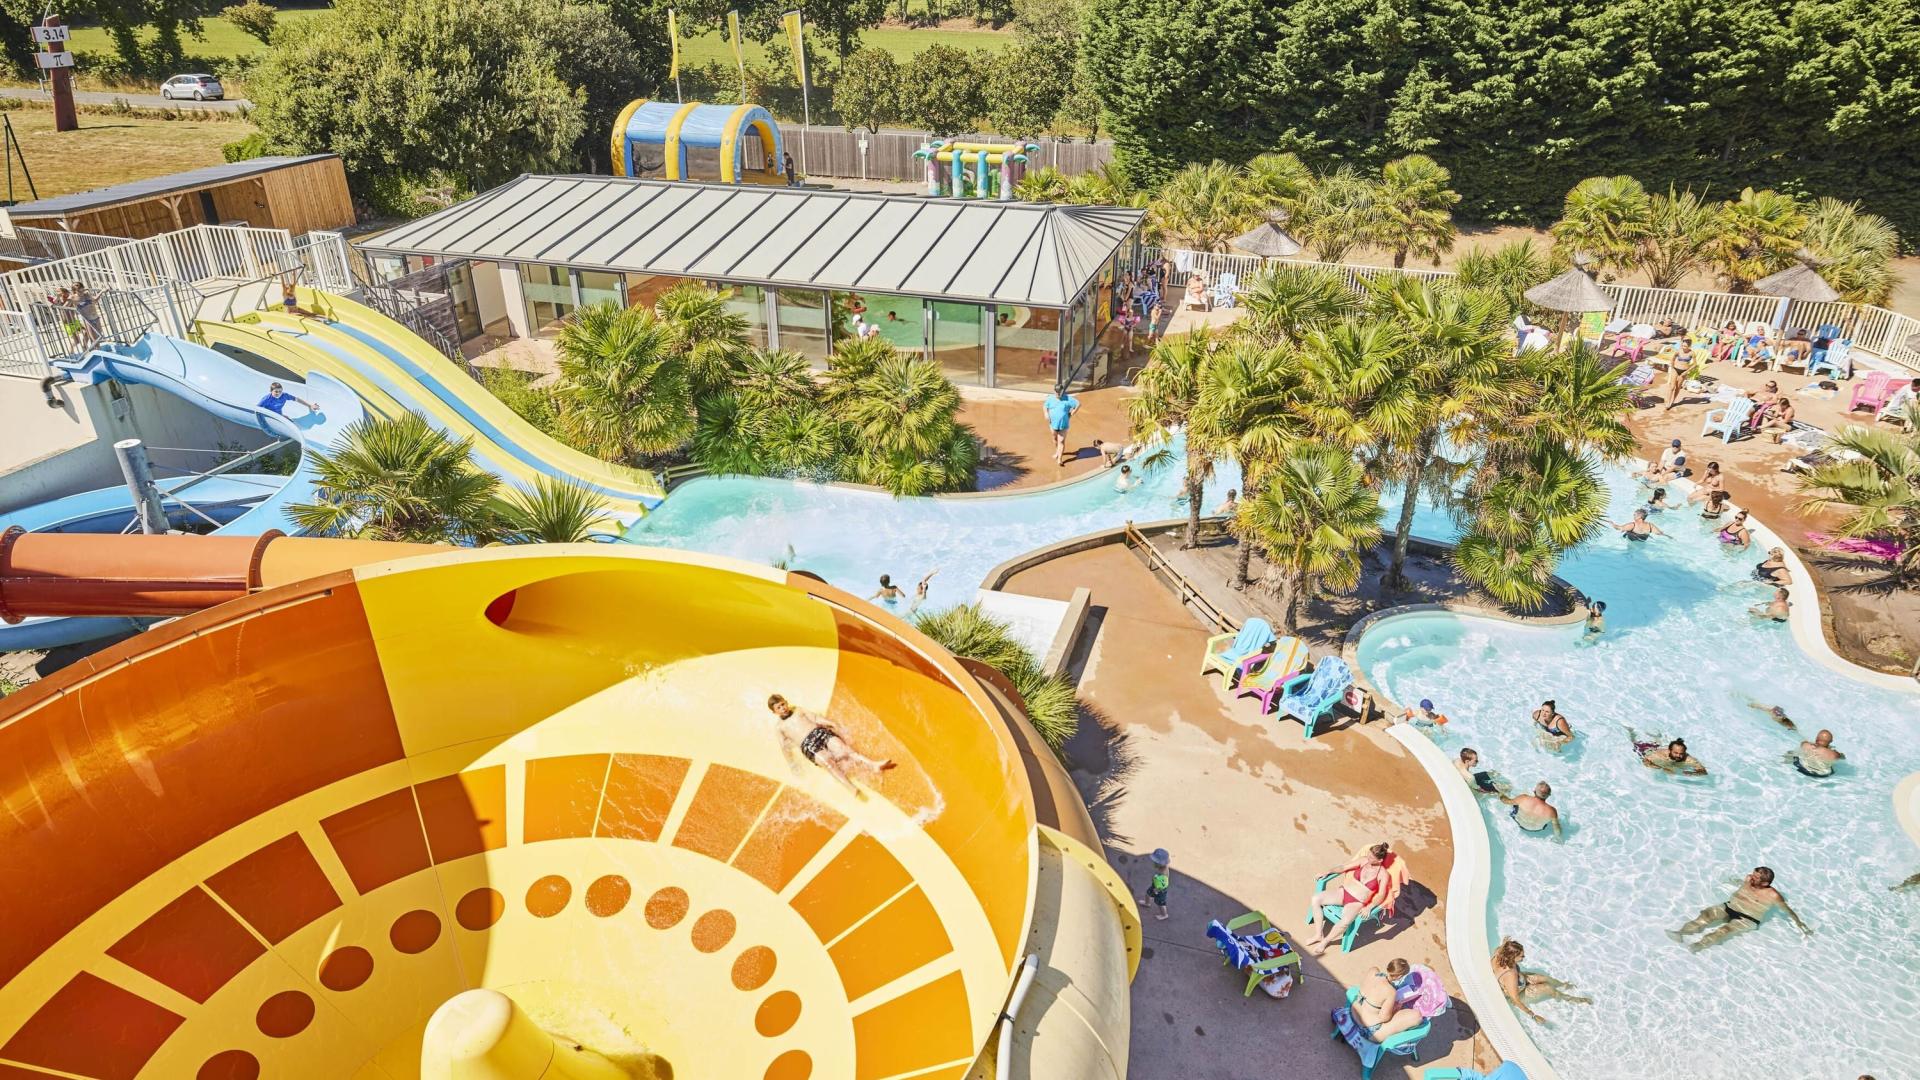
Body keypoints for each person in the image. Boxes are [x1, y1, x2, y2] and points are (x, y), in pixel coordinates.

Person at [766, 693, 896, 790]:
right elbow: (784, 747)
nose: (783, 708)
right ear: (774, 712)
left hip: (819, 732)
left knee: (844, 750)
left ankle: (873, 765)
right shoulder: (780, 727)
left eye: (783, 704)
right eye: (779, 708)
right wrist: (792, 764)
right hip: (807, 745)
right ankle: (850, 788)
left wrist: (832, 723)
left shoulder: (798, 710)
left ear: (786, 702)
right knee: (828, 762)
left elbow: (815, 718)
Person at [1666, 866, 1812, 952]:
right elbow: (1741, 883)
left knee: (1723, 931)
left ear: (1765, 883)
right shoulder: (1748, 879)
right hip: (1730, 906)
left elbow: (1788, 911)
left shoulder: (1773, 895)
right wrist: (1729, 881)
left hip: (1748, 918)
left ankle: (1696, 947)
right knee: (1707, 914)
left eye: (1755, 878)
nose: (1751, 878)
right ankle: (1680, 933)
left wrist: (1800, 924)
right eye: (1753, 874)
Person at [1302, 843, 1395, 955]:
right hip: (1343, 892)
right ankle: (1318, 935)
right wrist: (1327, 871)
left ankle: (1325, 941)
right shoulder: (1363, 860)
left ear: (1380, 860)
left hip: (1357, 902)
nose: (1368, 858)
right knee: (1316, 898)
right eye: (1368, 854)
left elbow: (1381, 895)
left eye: (1371, 857)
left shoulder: (1383, 874)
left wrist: (1369, 907)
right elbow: (1343, 867)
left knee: (1345, 922)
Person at [1492, 939, 1591, 1023]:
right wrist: (1533, 1015)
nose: (1524, 957)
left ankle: (1563, 985)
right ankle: (1569, 998)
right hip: (1519, 991)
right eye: (1521, 956)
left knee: (1545, 978)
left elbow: (1502, 948)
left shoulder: (1500, 954)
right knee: (1547, 987)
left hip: (1520, 980)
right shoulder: (1511, 975)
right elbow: (1515, 999)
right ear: (1513, 956)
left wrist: (1506, 943)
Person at [1346, 958, 1433, 1042]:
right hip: (1366, 1029)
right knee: (1416, 1016)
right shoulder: (1391, 992)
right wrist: (1396, 1009)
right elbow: (1384, 1018)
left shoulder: (1373, 971)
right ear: (1400, 976)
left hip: (1353, 1013)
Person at [1625, 728, 1707, 775]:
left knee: (1657, 743)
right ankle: (1631, 731)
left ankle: (1656, 736)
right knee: (1634, 742)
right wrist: (1661, 768)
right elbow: (1646, 761)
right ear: (1669, 750)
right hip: (1646, 750)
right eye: (1676, 753)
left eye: (1681, 753)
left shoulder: (1688, 759)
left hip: (1658, 748)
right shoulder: (1659, 755)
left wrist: (1691, 773)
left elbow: (1703, 772)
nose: (1679, 756)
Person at [1043, 389, 1080, 465]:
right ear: (1054, 392)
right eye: (1057, 393)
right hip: (1053, 424)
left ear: (1062, 392)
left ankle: (1060, 459)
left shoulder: (1068, 398)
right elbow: (1045, 406)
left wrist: (1073, 412)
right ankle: (1057, 451)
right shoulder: (1050, 398)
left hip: (1064, 425)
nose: (1058, 394)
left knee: (1061, 441)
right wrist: (1046, 413)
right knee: (1055, 439)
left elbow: (1078, 404)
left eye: (1060, 393)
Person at [1139, 847, 1171, 921]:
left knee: (1160, 903)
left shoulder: (1163, 874)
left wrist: (1156, 890)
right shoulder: (1162, 868)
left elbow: (1163, 886)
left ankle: (1164, 915)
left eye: (1155, 862)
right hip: (1156, 885)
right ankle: (1147, 903)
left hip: (1160, 890)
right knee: (1147, 894)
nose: (1153, 863)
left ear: (1160, 864)